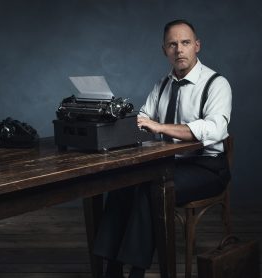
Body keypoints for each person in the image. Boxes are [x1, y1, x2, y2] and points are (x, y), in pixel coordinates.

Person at [93, 19, 232, 278]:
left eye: (185, 43)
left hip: (208, 168)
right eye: (172, 44)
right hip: (170, 164)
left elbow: (214, 130)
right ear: (164, 50)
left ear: (197, 46)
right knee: (122, 182)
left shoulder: (217, 84)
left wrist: (160, 127)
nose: (179, 49)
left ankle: (136, 270)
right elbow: (144, 118)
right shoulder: (162, 85)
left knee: (151, 190)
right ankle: (111, 265)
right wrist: (116, 120)